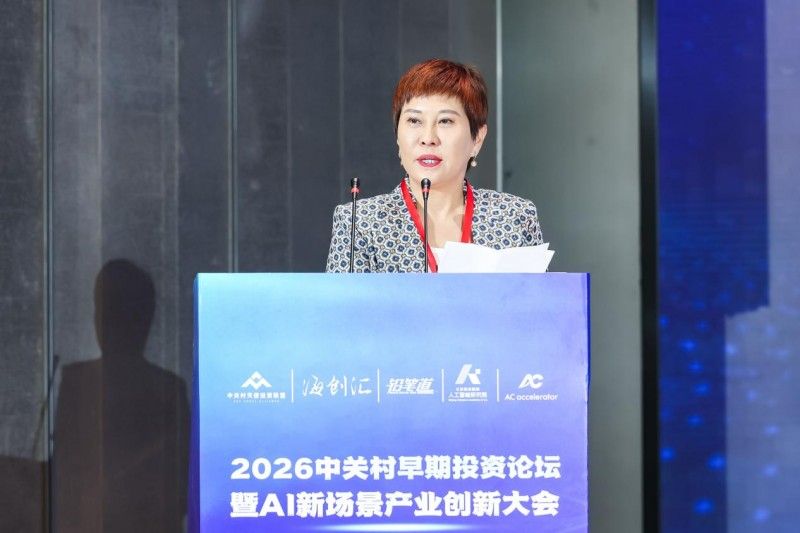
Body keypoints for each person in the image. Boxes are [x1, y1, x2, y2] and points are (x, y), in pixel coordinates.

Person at [326, 58, 543, 273]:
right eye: (414, 121)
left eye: (445, 121)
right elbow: (343, 298)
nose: (428, 138)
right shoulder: (359, 222)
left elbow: (541, 296)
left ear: (477, 138)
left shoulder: (515, 217)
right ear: (398, 136)